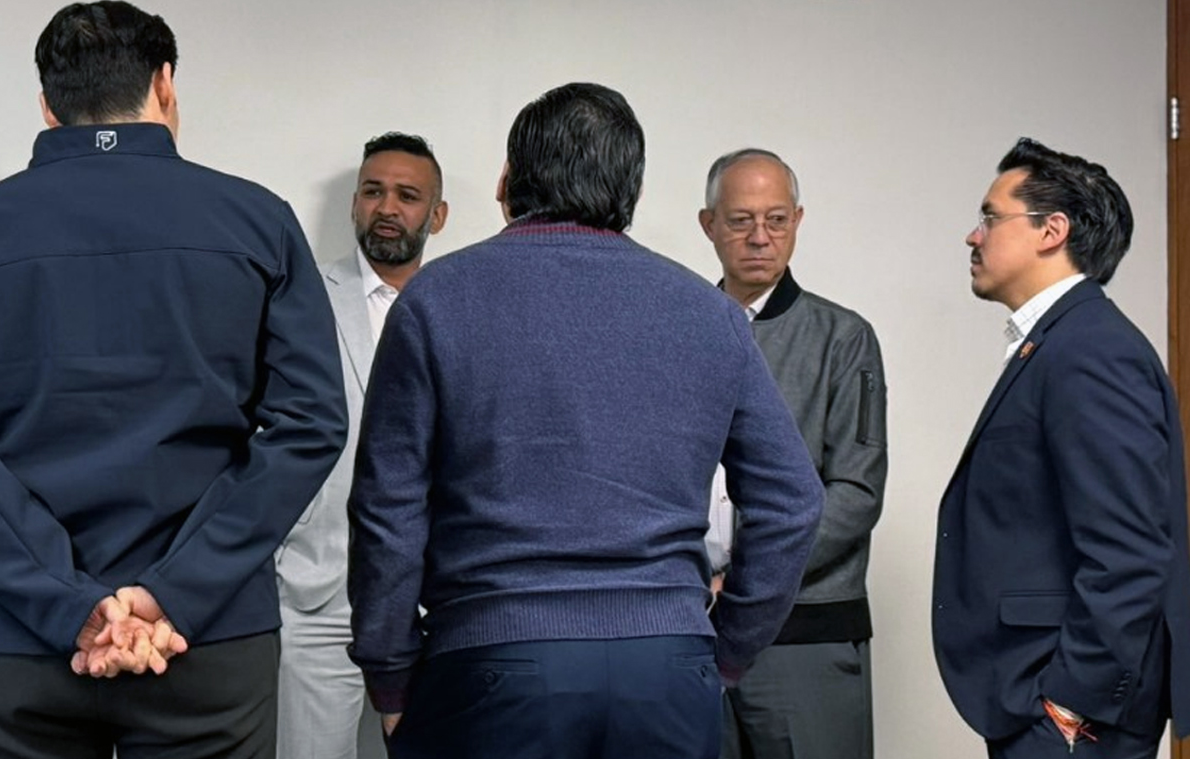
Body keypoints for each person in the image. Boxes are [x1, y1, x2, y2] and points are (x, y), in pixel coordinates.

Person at [0, 3, 348, 758]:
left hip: (13, 638)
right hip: (206, 636)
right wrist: (175, 590)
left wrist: (65, 600)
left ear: (47, 105)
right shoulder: (258, 221)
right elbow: (311, 424)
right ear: (164, 85)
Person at [346, 82, 824, 759]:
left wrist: (390, 673)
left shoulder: (435, 300)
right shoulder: (709, 313)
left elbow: (387, 507)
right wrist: (724, 653)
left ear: (510, 180)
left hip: (492, 661)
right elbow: (794, 501)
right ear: (632, 188)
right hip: (667, 667)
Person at [933, 137, 1190, 758]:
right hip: (1047, 703)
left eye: (990, 217)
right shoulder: (1062, 341)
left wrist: (1069, 701)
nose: (973, 236)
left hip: (1074, 717)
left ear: (1051, 230)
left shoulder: (1090, 350)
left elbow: (1130, 551)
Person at [697, 148, 887, 759]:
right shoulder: (678, 330)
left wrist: (744, 581)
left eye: (776, 220)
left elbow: (856, 493)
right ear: (708, 224)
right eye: (740, 220)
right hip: (689, 629)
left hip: (804, 634)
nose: (760, 237)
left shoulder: (843, 338)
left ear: (798, 221)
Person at [275, 131, 446, 759]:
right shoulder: (302, 302)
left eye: (407, 196)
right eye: (373, 192)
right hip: (320, 595)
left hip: (439, 601)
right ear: (354, 204)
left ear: (437, 215)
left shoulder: (460, 305)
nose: (387, 208)